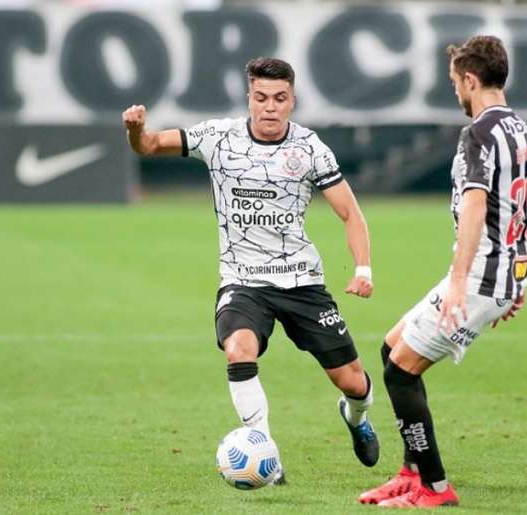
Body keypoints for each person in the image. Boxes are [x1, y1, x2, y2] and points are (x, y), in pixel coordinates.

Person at [122, 57, 379, 482]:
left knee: (352, 382)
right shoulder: (217, 137)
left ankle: (357, 419)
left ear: (292, 101)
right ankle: (265, 454)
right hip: (243, 281)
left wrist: (363, 269)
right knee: (239, 349)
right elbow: (149, 145)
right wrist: (134, 130)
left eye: (280, 99)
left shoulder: (309, 148)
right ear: (249, 99)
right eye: (261, 98)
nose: (270, 107)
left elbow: (350, 213)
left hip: (302, 282)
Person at [358, 35, 527, 508]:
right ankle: (409, 472)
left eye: (455, 84)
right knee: (390, 349)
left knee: (401, 374)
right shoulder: (525, 134)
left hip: (476, 282)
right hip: (499, 278)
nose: (456, 93)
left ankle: (435, 487)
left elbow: (474, 208)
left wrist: (458, 285)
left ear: (471, 79)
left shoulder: (478, 135)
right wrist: (521, 281)